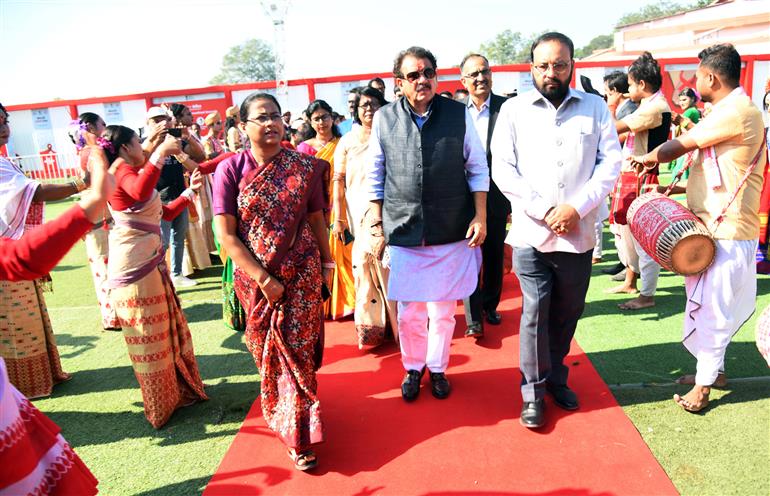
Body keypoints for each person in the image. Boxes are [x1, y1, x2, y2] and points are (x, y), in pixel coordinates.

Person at [491, 32, 622, 429]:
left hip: (578, 234)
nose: (552, 72)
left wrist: (575, 208)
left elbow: (610, 164)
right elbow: (503, 170)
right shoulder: (513, 111)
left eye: (559, 64)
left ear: (572, 66)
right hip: (533, 233)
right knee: (534, 312)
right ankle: (532, 391)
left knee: (567, 312)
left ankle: (556, 377)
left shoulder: (596, 108)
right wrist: (547, 210)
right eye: (544, 65)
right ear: (531, 68)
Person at [630, 44, 766, 412]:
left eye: (699, 73)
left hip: (727, 231)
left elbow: (679, 145)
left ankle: (704, 388)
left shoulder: (737, 111)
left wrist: (645, 158)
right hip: (713, 229)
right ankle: (713, 372)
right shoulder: (728, 109)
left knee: (714, 311)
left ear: (711, 77)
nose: (697, 79)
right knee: (708, 308)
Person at [212, 92, 332, 471]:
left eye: (276, 116)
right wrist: (264, 279)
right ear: (243, 126)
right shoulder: (230, 170)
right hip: (255, 281)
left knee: (297, 348)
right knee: (269, 355)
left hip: (303, 272)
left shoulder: (305, 167)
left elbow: (316, 221)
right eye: (261, 117)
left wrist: (328, 263)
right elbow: (227, 237)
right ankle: (289, 417)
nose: (271, 123)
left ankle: (299, 436)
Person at [366, 46, 489, 402]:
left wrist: (480, 215)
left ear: (436, 76)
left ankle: (437, 368)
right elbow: (376, 174)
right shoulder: (385, 119)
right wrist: (376, 222)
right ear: (399, 82)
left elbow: (477, 168)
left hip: (451, 228)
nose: (423, 80)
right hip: (404, 230)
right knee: (410, 313)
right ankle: (413, 367)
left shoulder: (458, 114)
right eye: (414, 75)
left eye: (428, 73)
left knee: (444, 310)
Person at [103, 125, 208, 428]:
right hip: (136, 269)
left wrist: (189, 193)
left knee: (162, 333)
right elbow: (138, 192)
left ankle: (176, 392)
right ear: (124, 148)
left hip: (149, 264)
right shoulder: (120, 170)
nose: (143, 147)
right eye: (138, 142)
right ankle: (160, 404)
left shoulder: (128, 170)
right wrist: (161, 152)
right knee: (149, 339)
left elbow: (164, 212)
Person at [0, 102, 90, 399]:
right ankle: (21, 383)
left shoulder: (5, 160)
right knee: (15, 323)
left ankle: (42, 373)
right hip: (6, 256)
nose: (4, 127)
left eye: (5, 120)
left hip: (13, 249)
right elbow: (33, 191)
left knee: (28, 315)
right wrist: (83, 184)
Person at [608, 53, 672, 311]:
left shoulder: (653, 108)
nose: (626, 90)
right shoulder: (652, 105)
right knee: (628, 234)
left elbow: (613, 129)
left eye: (631, 85)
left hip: (641, 176)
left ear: (642, 85)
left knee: (642, 238)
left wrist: (612, 105)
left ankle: (646, 294)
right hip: (634, 174)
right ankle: (633, 283)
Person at [333, 86, 395, 349]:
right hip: (358, 213)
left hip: (391, 211)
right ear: (356, 110)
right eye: (363, 105)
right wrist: (338, 218)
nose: (369, 109)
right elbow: (338, 180)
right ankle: (372, 328)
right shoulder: (347, 140)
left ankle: (397, 326)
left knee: (389, 267)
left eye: (374, 103)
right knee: (364, 268)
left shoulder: (392, 134)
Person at [458, 53, 511, 339]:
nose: (481, 78)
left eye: (485, 71)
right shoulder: (455, 113)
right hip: (463, 198)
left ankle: (490, 305)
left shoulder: (507, 109)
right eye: (474, 74)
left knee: (493, 254)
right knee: (468, 258)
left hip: (497, 195)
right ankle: (472, 317)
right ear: (464, 81)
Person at [297, 100, 355, 320]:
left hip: (344, 204)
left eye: (325, 117)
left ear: (332, 117)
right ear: (310, 122)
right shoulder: (305, 148)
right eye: (316, 118)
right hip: (317, 210)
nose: (322, 122)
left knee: (347, 252)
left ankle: (349, 301)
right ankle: (327, 302)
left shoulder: (343, 143)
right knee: (325, 254)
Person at [69, 112, 122, 331]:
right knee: (105, 266)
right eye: (102, 124)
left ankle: (116, 313)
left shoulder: (90, 152)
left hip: (101, 216)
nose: (105, 127)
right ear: (90, 127)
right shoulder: (91, 153)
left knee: (110, 266)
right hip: (99, 218)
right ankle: (112, 316)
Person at [156, 103, 205, 287]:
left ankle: (176, 274)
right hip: (160, 199)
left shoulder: (178, 141)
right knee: (162, 242)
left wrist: (187, 136)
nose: (165, 124)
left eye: (166, 120)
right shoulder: (147, 143)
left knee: (178, 237)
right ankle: (159, 278)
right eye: (159, 121)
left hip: (180, 194)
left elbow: (200, 158)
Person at [602, 71, 639, 277]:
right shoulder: (627, 108)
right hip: (623, 168)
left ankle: (631, 268)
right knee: (619, 223)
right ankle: (625, 263)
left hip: (631, 170)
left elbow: (614, 133)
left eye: (607, 93)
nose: (606, 97)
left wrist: (609, 108)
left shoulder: (631, 109)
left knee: (625, 223)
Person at [669, 88, 702, 180]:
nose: (681, 103)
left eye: (684, 100)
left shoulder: (690, 111)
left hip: (686, 149)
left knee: (680, 177)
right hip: (691, 148)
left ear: (692, 99)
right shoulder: (696, 110)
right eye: (680, 100)